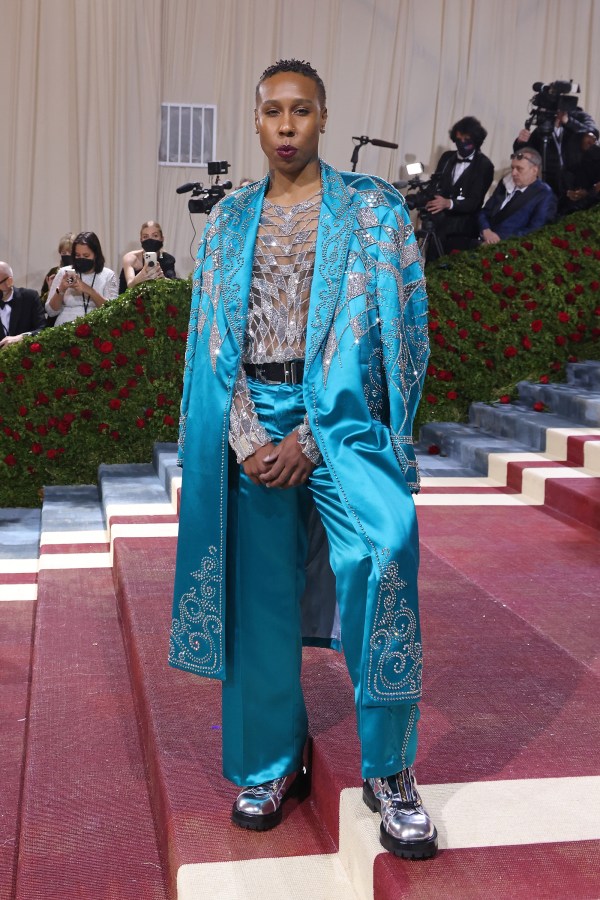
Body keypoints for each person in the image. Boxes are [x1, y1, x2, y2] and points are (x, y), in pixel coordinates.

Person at [169, 59, 437, 860]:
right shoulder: (225, 222)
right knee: (259, 600)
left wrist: (316, 437)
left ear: (324, 117)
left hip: (342, 422)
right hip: (251, 420)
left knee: (383, 555)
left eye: (302, 111)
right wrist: (248, 437)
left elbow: (404, 335)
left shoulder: (374, 213)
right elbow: (208, 344)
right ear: (255, 124)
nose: (287, 126)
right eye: (273, 112)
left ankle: (391, 770)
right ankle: (267, 764)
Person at [423, 115, 494, 258]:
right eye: (458, 140)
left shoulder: (484, 165)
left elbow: (474, 201)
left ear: (475, 140)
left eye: (466, 140)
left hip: (462, 230)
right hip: (438, 227)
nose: (462, 144)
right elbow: (436, 184)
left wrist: (449, 203)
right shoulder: (447, 157)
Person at [513, 102, 598, 198]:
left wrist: (568, 121)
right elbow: (526, 155)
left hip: (579, 182)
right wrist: (521, 142)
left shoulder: (579, 116)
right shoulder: (543, 129)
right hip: (551, 184)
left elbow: (593, 133)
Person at [478, 148, 557, 244]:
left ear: (534, 170)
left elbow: (536, 230)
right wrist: (486, 230)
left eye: (519, 169)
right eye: (512, 168)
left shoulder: (544, 195)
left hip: (510, 248)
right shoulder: (505, 183)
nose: (513, 173)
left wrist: (498, 240)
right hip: (483, 239)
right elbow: (485, 212)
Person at [45, 231, 118, 326]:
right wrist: (61, 289)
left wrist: (89, 291)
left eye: (86, 256)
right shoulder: (64, 272)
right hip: (65, 328)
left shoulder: (108, 275)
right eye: (77, 255)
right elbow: (51, 311)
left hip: (96, 326)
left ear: (96, 255)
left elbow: (113, 311)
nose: (81, 258)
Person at [119, 221, 177, 294]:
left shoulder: (168, 259)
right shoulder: (131, 258)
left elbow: (174, 285)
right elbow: (130, 285)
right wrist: (141, 275)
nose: (150, 240)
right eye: (145, 237)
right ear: (141, 240)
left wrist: (163, 279)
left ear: (162, 238)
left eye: (155, 236)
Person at [0, 261, 47, 348]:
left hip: (25, 355)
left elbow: (42, 329)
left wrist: (21, 338)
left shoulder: (29, 297)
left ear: (9, 281)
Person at [561, 132, 600, 213]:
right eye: (589, 143)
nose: (594, 145)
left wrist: (591, 192)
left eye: (595, 141)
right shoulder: (568, 174)